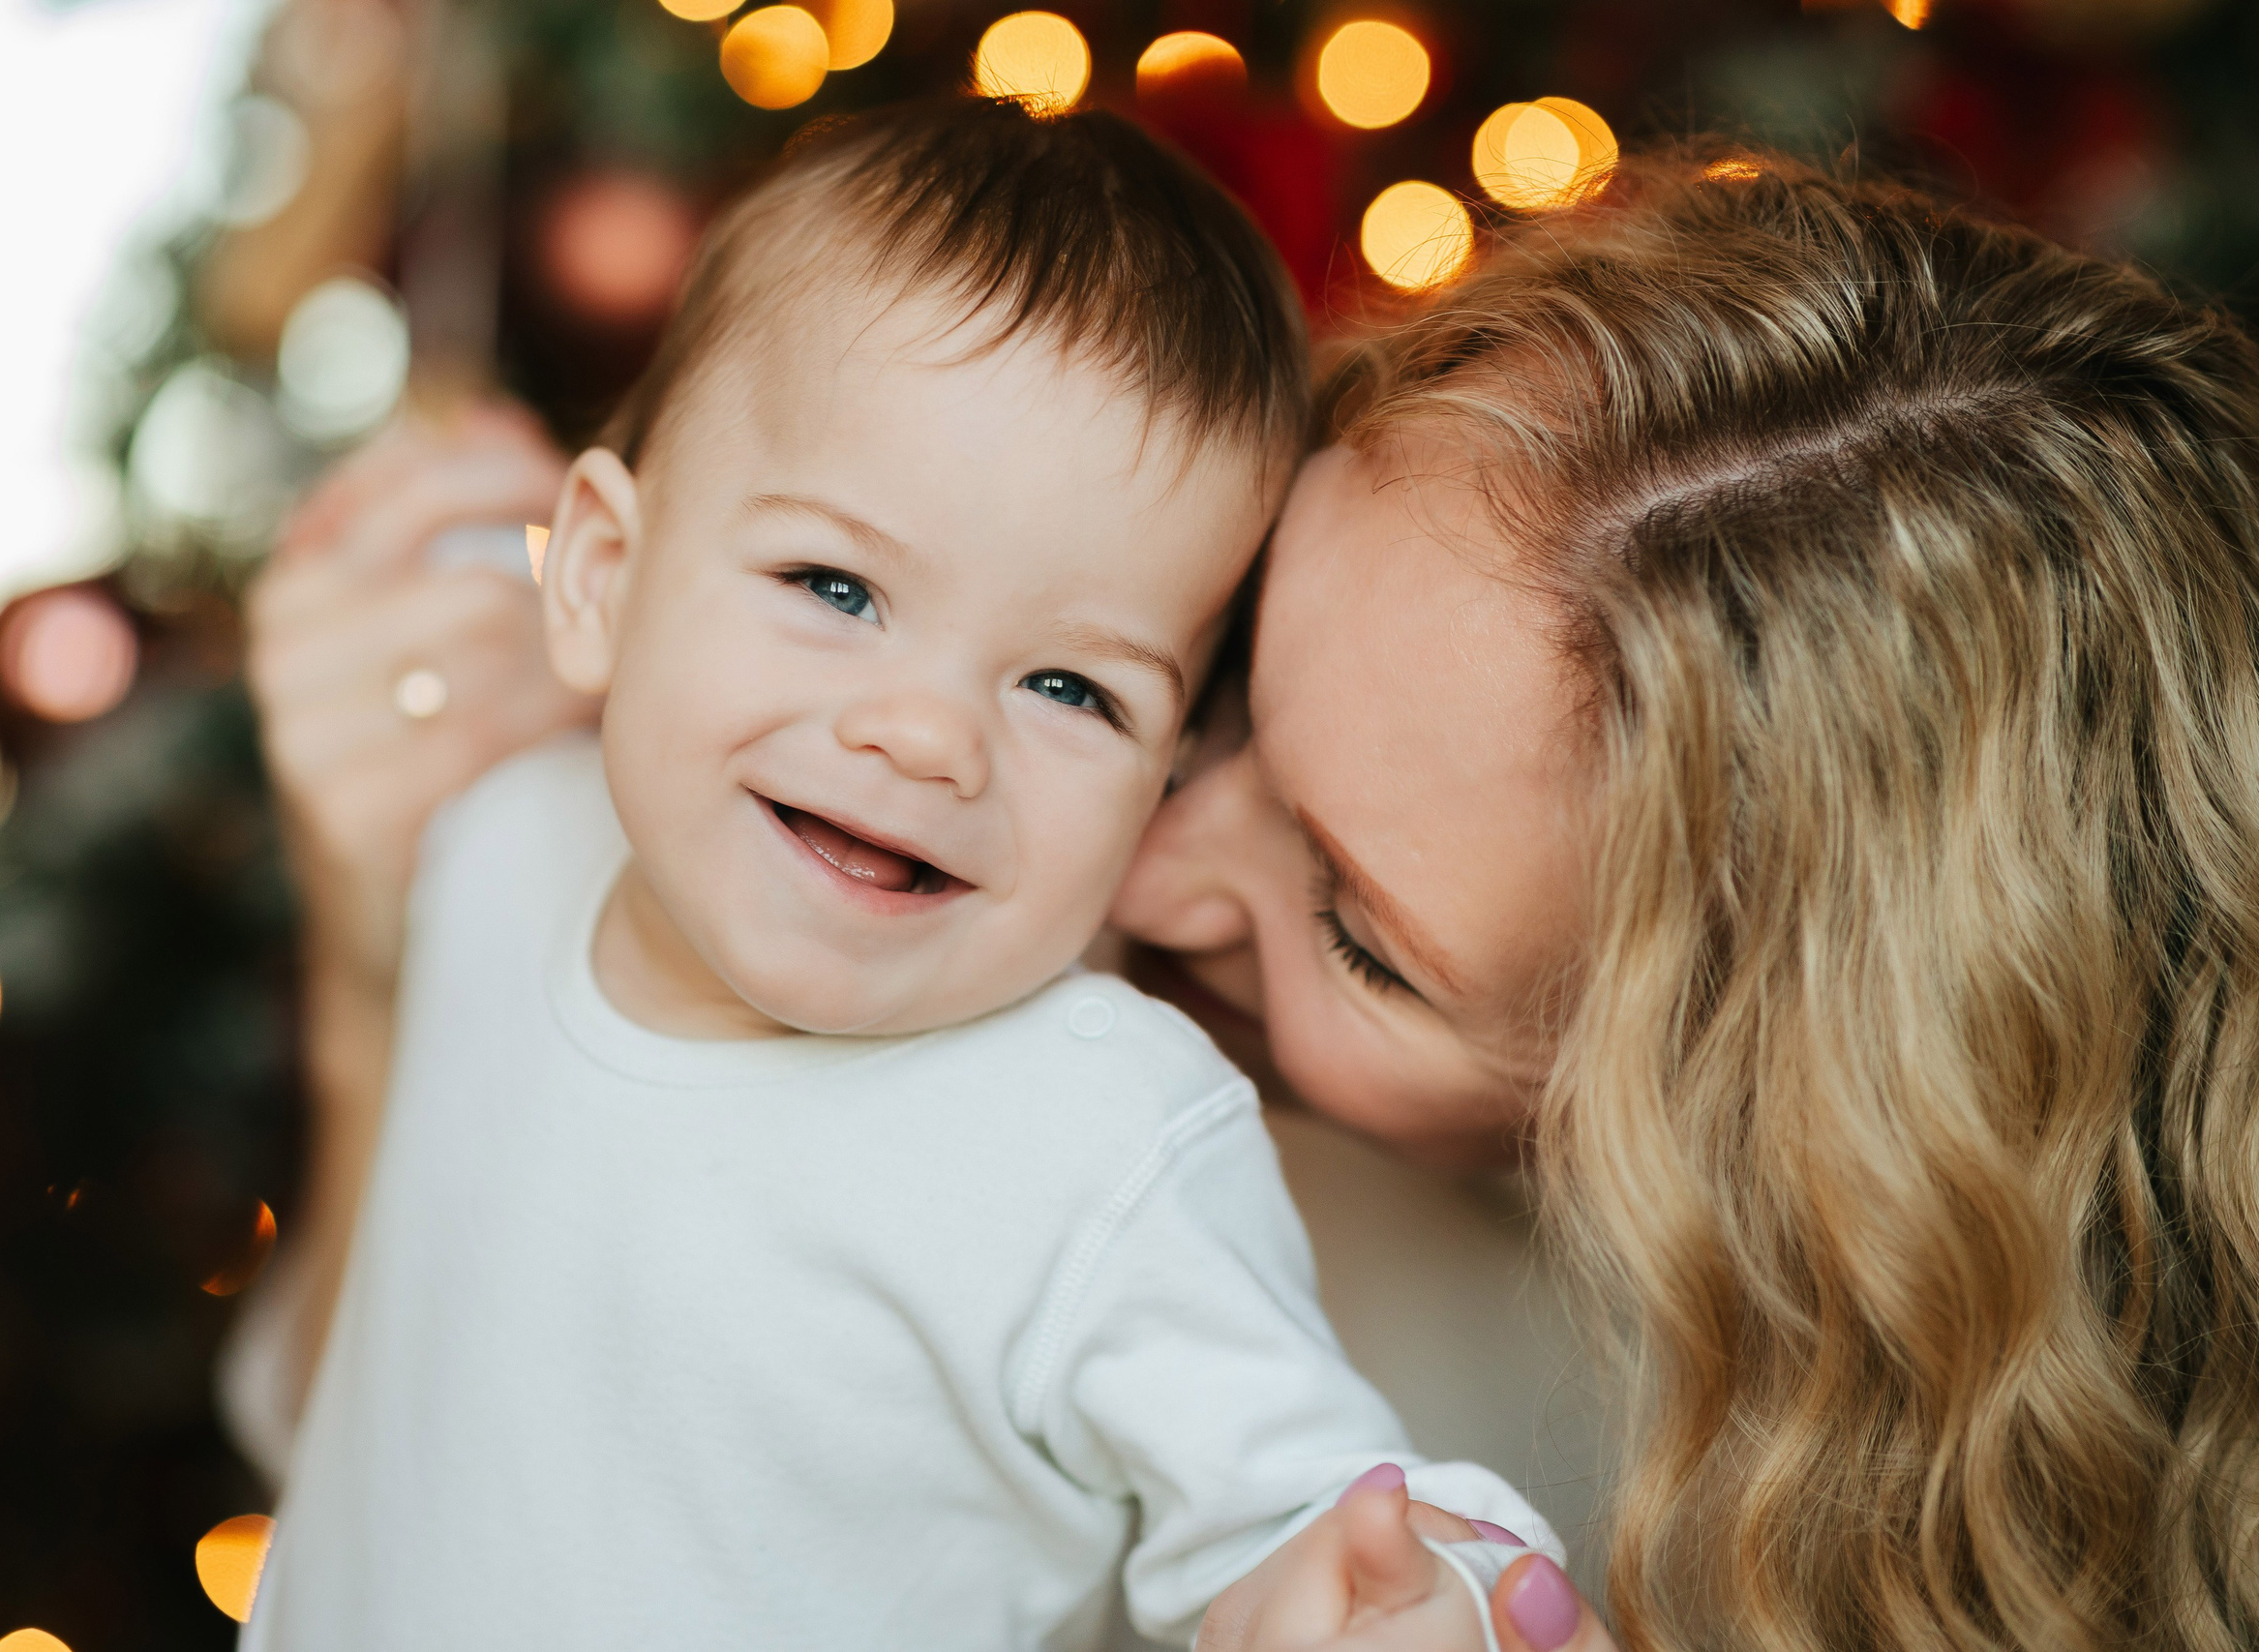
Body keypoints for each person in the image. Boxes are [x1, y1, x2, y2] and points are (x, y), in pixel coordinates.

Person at [238, 143, 2259, 1652]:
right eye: (1225, 679)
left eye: (1355, 929)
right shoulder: (769, 879)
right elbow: (426, 1414)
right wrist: (372, 961)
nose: (1140, 862)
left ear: (1733, 1132)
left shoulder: (1222, 1261)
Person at [240, 98, 1558, 1652]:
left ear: (1161, 774)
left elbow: (1327, 1505)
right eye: (835, 584)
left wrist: (1439, 1597)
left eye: (1074, 689)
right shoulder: (487, 848)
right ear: (600, 578)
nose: (929, 735)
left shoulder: (1103, 1131)